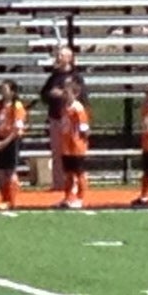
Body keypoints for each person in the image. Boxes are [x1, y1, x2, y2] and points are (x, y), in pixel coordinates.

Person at [41, 45, 87, 165]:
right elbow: (44, 94)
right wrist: (51, 94)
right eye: (57, 55)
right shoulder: (53, 77)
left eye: (61, 55)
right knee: (56, 154)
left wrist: (63, 94)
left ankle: (72, 177)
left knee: (70, 153)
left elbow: (82, 98)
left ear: (69, 58)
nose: (58, 58)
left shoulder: (76, 77)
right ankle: (58, 177)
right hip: (56, 118)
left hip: (71, 121)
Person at [0, 80, 27, 209]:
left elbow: (17, 127)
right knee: (0, 170)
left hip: (11, 140)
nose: (2, 91)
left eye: (5, 89)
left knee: (10, 170)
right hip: (0, 138)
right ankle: (4, 198)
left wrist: (4, 142)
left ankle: (12, 200)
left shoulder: (17, 106)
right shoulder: (0, 105)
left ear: (12, 91)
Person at [56, 79, 90, 208]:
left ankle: (80, 198)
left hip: (76, 145)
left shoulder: (78, 108)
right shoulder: (65, 108)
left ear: (75, 94)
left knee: (79, 172)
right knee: (68, 173)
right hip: (67, 145)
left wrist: (82, 141)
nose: (65, 95)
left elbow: (84, 127)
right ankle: (68, 197)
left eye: (67, 92)